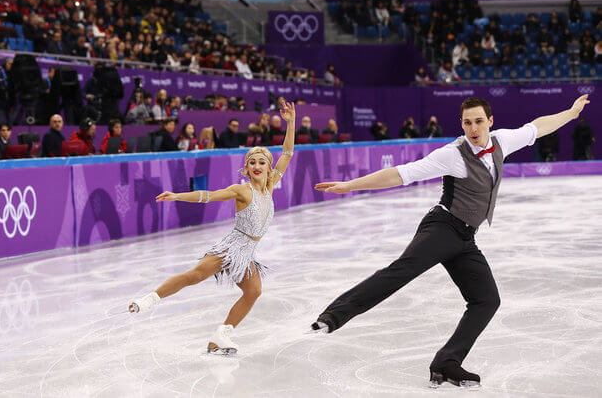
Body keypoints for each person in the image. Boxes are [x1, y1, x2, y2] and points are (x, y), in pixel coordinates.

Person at [309, 95, 591, 388]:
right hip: (442, 227)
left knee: (487, 300)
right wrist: (351, 185)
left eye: (479, 121)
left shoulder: (502, 141)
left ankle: (447, 362)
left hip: (466, 238)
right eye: (467, 122)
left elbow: (537, 128)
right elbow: (402, 174)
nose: (474, 128)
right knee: (402, 271)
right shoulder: (453, 154)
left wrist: (571, 113)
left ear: (490, 122)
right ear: (462, 124)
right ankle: (333, 316)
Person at [129, 101, 297, 355]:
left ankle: (221, 335)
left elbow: (287, 153)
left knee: (253, 292)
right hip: (231, 247)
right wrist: (177, 196)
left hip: (247, 253)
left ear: (268, 167)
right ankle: (151, 298)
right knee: (195, 275)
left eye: (261, 162)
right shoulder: (242, 190)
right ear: (247, 168)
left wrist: (291, 122)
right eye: (252, 162)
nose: (257, 166)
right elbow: (208, 195)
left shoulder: (270, 185)